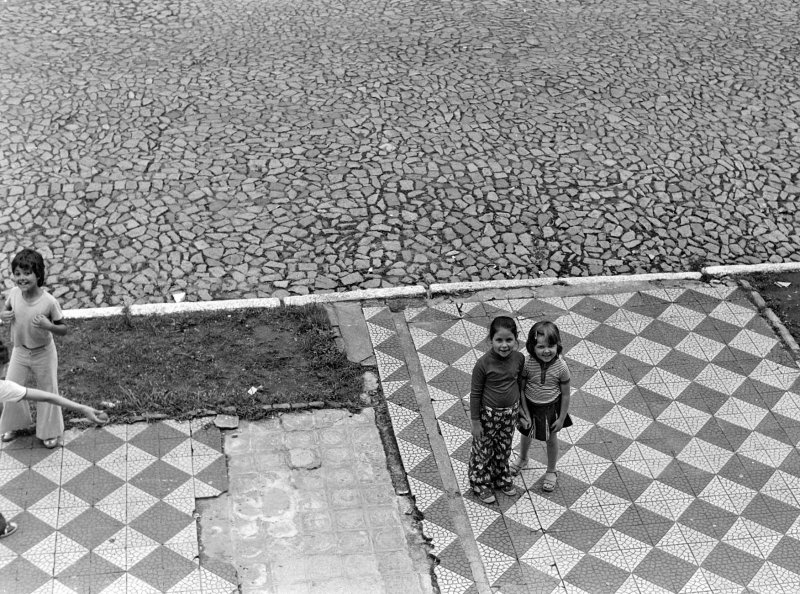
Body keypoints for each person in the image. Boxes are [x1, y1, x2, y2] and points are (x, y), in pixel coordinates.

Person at [0, 338, 109, 539]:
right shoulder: (2, 388)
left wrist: (83, 408)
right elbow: (47, 397)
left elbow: (47, 397)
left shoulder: (4, 388)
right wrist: (83, 408)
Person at [0, 249, 68, 448]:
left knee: (48, 390)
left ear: (38, 274)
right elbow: (7, 309)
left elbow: (63, 329)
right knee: (11, 386)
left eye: (26, 273)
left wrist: (49, 326)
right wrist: (4, 315)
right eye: (17, 274)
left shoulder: (49, 302)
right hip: (20, 351)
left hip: (43, 353)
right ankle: (14, 424)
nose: (21, 278)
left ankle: (49, 431)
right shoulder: (14, 294)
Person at [468, 316, 526, 504]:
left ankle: (501, 476)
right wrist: (476, 422)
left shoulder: (519, 358)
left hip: (510, 414)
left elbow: (519, 384)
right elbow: (475, 394)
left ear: (515, 339)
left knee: (504, 447)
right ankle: (480, 482)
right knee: (483, 450)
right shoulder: (483, 364)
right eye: (499, 340)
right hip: (488, 415)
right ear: (490, 340)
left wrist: (522, 411)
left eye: (509, 340)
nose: (504, 345)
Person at [510, 320, 573, 493]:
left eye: (551, 345)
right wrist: (524, 412)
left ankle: (551, 470)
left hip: (551, 408)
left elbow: (566, 394)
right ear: (532, 347)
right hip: (529, 406)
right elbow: (521, 388)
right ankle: (523, 457)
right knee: (526, 433)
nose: (546, 351)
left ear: (558, 345)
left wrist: (561, 418)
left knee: (551, 439)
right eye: (540, 346)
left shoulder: (561, 367)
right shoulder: (527, 363)